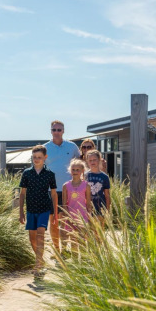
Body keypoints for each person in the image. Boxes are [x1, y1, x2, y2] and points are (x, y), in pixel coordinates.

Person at [19, 145, 58, 281]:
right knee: (32, 239)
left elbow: (53, 194)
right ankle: (41, 260)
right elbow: (22, 193)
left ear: (45, 158)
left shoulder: (50, 174)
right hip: (30, 209)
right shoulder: (26, 173)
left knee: (41, 235)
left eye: (39, 157)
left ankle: (37, 266)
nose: (36, 159)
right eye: (34, 157)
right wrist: (21, 212)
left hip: (44, 209)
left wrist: (55, 212)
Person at [44, 120, 80, 253]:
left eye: (59, 130)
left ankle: (65, 250)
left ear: (63, 131)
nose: (57, 132)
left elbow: (80, 164)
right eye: (54, 130)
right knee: (53, 221)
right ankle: (57, 250)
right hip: (51, 190)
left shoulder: (72, 147)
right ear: (51, 131)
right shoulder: (45, 148)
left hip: (69, 190)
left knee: (66, 221)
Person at [62, 159, 92, 252]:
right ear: (70, 171)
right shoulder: (66, 186)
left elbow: (88, 203)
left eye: (77, 170)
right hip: (70, 215)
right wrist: (67, 217)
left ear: (82, 171)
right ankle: (74, 261)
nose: (75, 172)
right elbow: (64, 204)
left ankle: (82, 261)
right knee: (73, 240)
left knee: (82, 239)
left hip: (82, 216)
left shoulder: (86, 185)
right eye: (73, 170)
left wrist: (89, 217)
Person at [85, 149, 111, 225]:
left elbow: (107, 195)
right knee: (89, 232)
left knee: (99, 231)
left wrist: (108, 210)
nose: (92, 162)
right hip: (88, 208)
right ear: (87, 161)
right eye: (90, 160)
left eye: (94, 160)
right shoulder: (84, 175)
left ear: (99, 160)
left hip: (100, 207)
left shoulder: (104, 177)